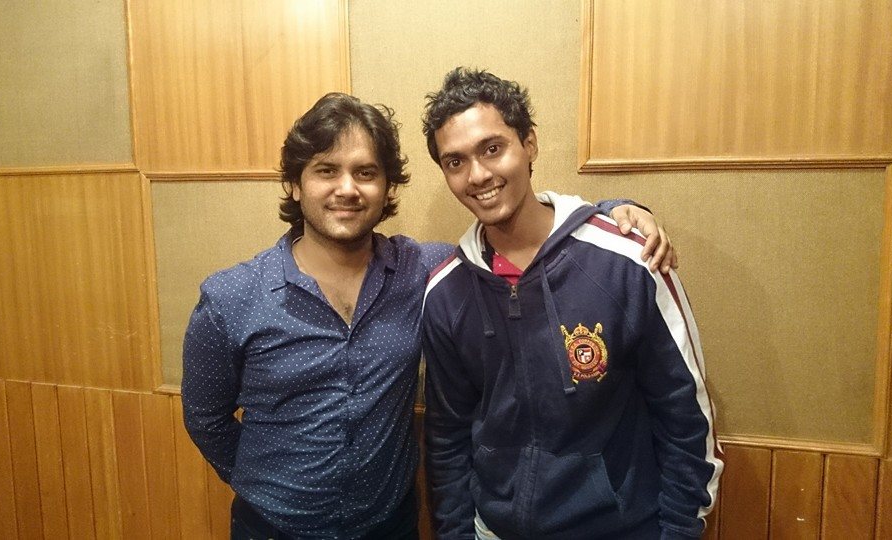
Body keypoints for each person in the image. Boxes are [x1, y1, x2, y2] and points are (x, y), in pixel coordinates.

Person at [181, 92, 676, 539]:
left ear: (387, 187)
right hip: (271, 528)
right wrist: (268, 485)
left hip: (389, 525)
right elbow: (206, 419)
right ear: (295, 184)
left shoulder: (424, 271)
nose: (347, 188)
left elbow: (523, 238)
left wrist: (619, 210)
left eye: (366, 173)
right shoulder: (232, 297)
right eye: (326, 171)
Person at [421, 68, 722, 539]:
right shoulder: (445, 292)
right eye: (455, 162)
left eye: (493, 149)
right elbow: (447, 438)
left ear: (530, 144)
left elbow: (684, 416)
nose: (477, 175)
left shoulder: (629, 261)